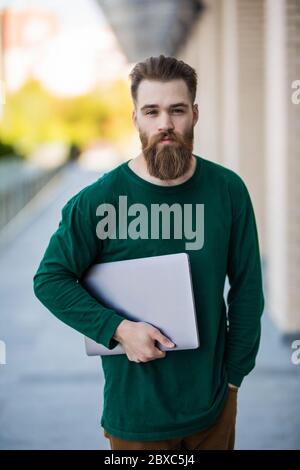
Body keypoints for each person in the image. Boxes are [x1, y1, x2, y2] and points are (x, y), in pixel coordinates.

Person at [33, 55, 265, 450]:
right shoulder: (97, 201)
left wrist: (233, 379)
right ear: (135, 118)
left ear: (195, 113)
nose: (165, 124)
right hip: (134, 414)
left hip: (213, 406)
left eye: (177, 110)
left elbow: (247, 289)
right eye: (151, 111)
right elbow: (50, 280)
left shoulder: (228, 191)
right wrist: (118, 330)